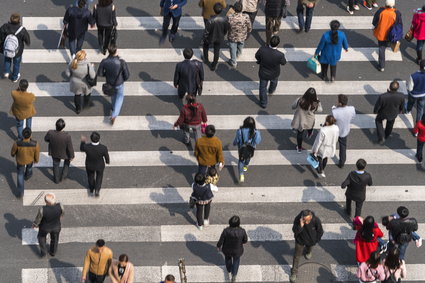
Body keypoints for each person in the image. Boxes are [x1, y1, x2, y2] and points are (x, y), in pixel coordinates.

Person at [97, 44, 130, 125]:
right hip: (119, 83)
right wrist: (122, 79)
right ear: (116, 51)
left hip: (110, 83)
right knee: (120, 97)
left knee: (113, 95)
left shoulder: (104, 61)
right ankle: (114, 115)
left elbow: (100, 73)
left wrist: (107, 75)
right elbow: (127, 76)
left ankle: (113, 107)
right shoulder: (122, 62)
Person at [290, 209, 323, 283]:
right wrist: (300, 226)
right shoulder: (298, 219)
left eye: (308, 220)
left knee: (309, 247)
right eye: (305, 220)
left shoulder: (316, 220)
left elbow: (320, 231)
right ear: (302, 218)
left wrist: (316, 240)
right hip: (300, 241)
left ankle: (308, 251)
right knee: (296, 256)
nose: (307, 222)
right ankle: (294, 272)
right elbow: (294, 230)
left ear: (311, 216)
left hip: (310, 240)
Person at [255, 35, 287, 108]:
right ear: (278, 44)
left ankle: (263, 103)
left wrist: (260, 60)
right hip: (274, 73)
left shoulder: (262, 49)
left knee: (262, 88)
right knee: (274, 82)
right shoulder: (280, 55)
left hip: (263, 72)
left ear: (269, 42)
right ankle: (271, 91)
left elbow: (257, 56)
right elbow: (283, 63)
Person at [372, 0, 402, 72]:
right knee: (387, 43)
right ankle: (388, 44)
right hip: (391, 34)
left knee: (381, 49)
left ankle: (381, 66)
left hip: (381, 33)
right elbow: (399, 24)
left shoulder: (380, 11)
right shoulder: (396, 13)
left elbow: (374, 22)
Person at [217, 215, 248, 282]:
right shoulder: (242, 231)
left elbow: (221, 240)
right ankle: (234, 275)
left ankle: (229, 269)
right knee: (236, 261)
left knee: (227, 259)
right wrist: (241, 242)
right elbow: (245, 240)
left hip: (227, 249)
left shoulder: (226, 231)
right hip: (237, 250)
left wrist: (218, 246)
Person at [0, 13, 30, 82]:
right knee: (16, 64)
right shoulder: (22, 30)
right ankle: (14, 77)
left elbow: (0, 37)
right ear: (19, 21)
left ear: (10, 19)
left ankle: (6, 72)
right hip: (17, 51)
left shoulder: (5, 26)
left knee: (7, 60)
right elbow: (27, 41)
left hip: (7, 49)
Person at [32, 193, 64, 258]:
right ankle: (53, 252)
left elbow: (38, 219)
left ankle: (43, 252)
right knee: (55, 239)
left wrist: (34, 225)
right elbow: (62, 213)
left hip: (44, 227)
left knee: (41, 237)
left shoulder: (42, 209)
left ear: (46, 201)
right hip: (56, 226)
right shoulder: (60, 205)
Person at [291, 87, 322, 153]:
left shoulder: (300, 100)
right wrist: (317, 101)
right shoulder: (315, 103)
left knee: (300, 133)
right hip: (309, 120)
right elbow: (320, 110)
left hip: (300, 120)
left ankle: (299, 148)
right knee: (310, 128)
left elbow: (293, 106)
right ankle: (309, 134)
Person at [11, 128, 39, 198]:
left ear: (22, 135)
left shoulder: (17, 143)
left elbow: (13, 152)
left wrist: (13, 155)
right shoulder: (35, 144)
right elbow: (37, 154)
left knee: (20, 174)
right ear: (30, 135)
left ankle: (20, 192)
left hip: (20, 161)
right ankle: (27, 176)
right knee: (29, 168)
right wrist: (36, 160)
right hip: (30, 160)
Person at [373, 80, 405, 144]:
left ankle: (381, 136)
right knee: (390, 124)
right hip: (393, 113)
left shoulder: (383, 96)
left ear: (389, 87)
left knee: (378, 121)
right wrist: (402, 111)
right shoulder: (401, 96)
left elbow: (378, 106)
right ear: (397, 88)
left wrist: (375, 111)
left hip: (383, 113)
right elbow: (402, 106)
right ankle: (386, 135)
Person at [44, 119, 75, 184]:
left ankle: (56, 180)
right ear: (63, 127)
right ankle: (63, 176)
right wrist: (72, 156)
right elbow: (70, 147)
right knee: (67, 162)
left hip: (54, 151)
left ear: (56, 125)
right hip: (65, 153)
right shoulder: (67, 136)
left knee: (55, 165)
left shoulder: (50, 133)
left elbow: (46, 139)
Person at [66, 50, 96, 114]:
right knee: (87, 94)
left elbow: (67, 74)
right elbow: (92, 76)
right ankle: (86, 104)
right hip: (85, 84)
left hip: (75, 83)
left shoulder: (72, 63)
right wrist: (92, 67)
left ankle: (78, 109)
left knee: (77, 95)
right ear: (84, 57)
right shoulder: (88, 65)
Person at [80, 132, 110, 197]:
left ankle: (91, 188)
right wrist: (107, 161)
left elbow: (81, 148)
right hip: (100, 165)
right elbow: (106, 156)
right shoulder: (103, 147)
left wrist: (83, 141)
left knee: (90, 177)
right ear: (99, 139)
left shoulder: (86, 146)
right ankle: (97, 190)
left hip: (89, 165)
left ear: (91, 139)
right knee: (99, 177)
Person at [233, 117, 262, 183]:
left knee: (241, 160)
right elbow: (257, 141)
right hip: (251, 148)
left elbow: (236, 140)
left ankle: (241, 174)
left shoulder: (240, 131)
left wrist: (234, 143)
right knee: (248, 156)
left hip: (241, 148)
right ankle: (246, 166)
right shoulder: (256, 132)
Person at [202, 3, 229, 71]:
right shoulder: (225, 19)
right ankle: (214, 65)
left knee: (205, 47)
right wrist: (223, 34)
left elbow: (206, 32)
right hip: (220, 37)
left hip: (210, 38)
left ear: (214, 10)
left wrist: (204, 38)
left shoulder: (210, 20)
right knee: (216, 51)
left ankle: (206, 59)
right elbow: (226, 29)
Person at [332, 94, 356, 168]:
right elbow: (353, 117)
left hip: (336, 131)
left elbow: (332, 121)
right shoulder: (352, 109)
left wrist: (334, 108)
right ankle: (342, 162)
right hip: (345, 130)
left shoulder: (335, 111)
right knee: (343, 146)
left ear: (340, 103)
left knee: (331, 143)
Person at [227, 2, 252, 68]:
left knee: (232, 48)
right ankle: (238, 54)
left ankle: (233, 61)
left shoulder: (230, 17)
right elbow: (249, 26)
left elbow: (227, 26)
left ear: (234, 9)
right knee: (241, 44)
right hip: (242, 35)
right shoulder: (246, 16)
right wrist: (249, 31)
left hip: (232, 36)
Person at [406, 60, 425, 124]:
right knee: (420, 110)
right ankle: (417, 126)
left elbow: (410, 88)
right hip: (423, 95)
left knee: (410, 103)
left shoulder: (413, 75)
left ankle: (408, 110)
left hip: (414, 94)